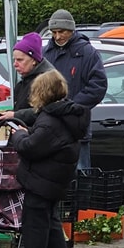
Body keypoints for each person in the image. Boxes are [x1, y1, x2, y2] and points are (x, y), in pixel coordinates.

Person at [3, 69, 90, 248]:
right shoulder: (66, 115)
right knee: (50, 221)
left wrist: (19, 135)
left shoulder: (50, 120)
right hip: (55, 179)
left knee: (35, 223)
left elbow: (30, 147)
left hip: (42, 179)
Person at [42, 9, 107, 169]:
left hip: (76, 128)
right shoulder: (45, 53)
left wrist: (71, 107)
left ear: (71, 30)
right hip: (49, 128)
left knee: (80, 175)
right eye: (54, 32)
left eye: (62, 32)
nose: (57, 36)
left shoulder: (88, 53)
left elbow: (98, 86)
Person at [0, 33, 56, 126]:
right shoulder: (23, 83)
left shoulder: (47, 81)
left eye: (20, 60)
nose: (15, 64)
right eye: (14, 60)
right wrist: (7, 116)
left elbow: (46, 112)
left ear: (34, 60)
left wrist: (15, 115)